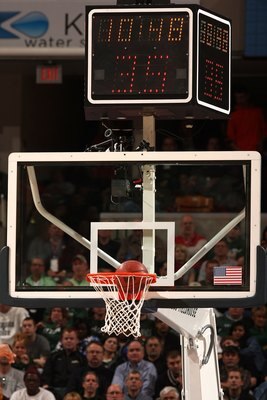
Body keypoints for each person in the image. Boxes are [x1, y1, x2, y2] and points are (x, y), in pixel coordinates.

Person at [42, 328, 86, 399]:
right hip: (55, 391)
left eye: (71, 339)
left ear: (77, 341)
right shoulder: (54, 357)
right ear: (61, 341)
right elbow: (47, 375)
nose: (69, 341)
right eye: (66, 338)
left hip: (75, 393)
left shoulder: (82, 359)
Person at [227, 85, 266, 152]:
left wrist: (261, 145)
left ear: (247, 96)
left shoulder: (258, 112)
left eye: (242, 97)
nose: (240, 100)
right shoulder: (233, 116)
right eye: (237, 98)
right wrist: (240, 152)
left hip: (257, 151)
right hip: (241, 152)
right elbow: (230, 138)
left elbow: (265, 132)